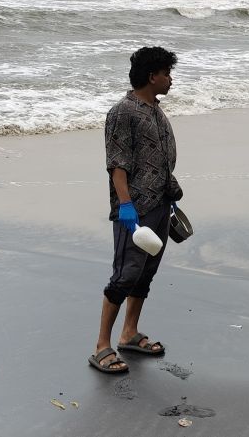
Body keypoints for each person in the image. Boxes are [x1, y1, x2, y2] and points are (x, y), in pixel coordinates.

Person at [90, 46, 183, 373]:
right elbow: (117, 164)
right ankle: (102, 344)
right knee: (125, 274)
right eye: (166, 73)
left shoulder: (156, 110)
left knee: (146, 273)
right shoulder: (123, 112)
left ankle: (129, 334)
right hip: (134, 211)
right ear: (151, 76)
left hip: (160, 206)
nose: (171, 79)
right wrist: (126, 206)